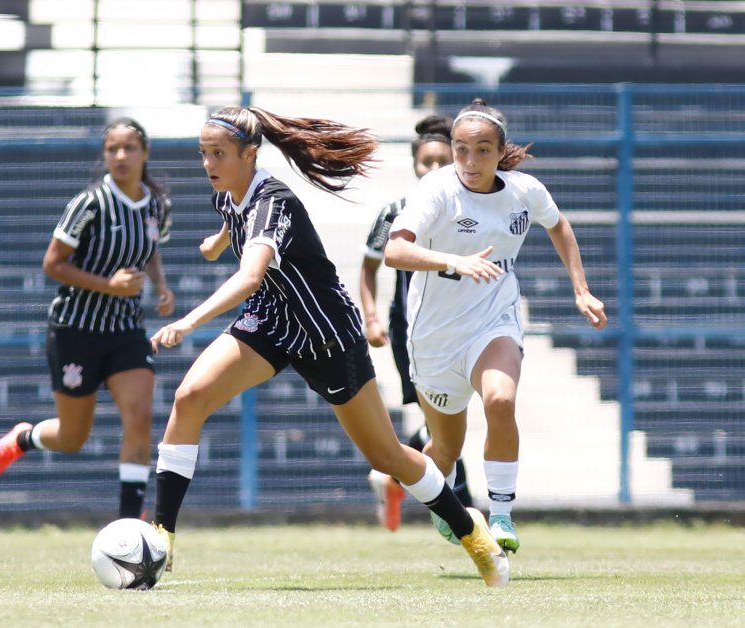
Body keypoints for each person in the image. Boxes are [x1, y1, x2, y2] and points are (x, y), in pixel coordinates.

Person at [148, 105, 509, 588]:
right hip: (272, 323)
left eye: (219, 154)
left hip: (327, 334)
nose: (209, 163)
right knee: (189, 399)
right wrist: (217, 242)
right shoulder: (230, 193)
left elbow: (251, 273)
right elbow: (236, 228)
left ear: (250, 155)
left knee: (388, 458)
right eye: (204, 153)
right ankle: (161, 533)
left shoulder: (270, 202)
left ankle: (472, 533)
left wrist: (190, 321)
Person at [384, 99, 607, 554]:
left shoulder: (524, 191)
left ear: (501, 151)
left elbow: (558, 224)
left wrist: (581, 290)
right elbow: (394, 252)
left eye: (482, 150)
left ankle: (502, 514)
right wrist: (453, 261)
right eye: (461, 149)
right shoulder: (436, 191)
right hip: (434, 338)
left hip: (493, 320)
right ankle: (442, 503)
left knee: (501, 400)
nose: (469, 160)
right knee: (444, 450)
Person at [0, 118, 175, 520]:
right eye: (112, 149)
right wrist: (110, 285)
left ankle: (128, 526)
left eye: (129, 148)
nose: (120, 156)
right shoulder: (89, 203)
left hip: (125, 330)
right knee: (72, 437)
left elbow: (150, 248)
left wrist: (160, 285)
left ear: (145, 153)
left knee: (139, 417)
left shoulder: (157, 205)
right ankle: (23, 438)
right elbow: (52, 264)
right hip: (76, 330)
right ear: (104, 155)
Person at [360, 114, 475, 532]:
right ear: (414, 165)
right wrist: (371, 318)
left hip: (462, 328)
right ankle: (465, 517)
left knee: (445, 422)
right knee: (440, 422)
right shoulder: (397, 213)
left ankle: (391, 476)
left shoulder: (468, 211)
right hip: (414, 335)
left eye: (444, 160)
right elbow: (369, 268)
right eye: (427, 161)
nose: (434, 169)